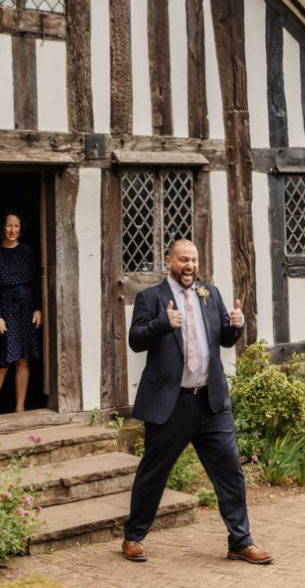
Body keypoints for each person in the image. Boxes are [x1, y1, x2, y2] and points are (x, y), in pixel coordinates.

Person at [122, 238, 273, 565]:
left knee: (230, 472)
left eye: (193, 259)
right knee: (153, 473)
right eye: (183, 259)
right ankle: (133, 536)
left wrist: (235, 326)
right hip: (170, 404)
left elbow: (222, 337)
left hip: (210, 403)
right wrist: (164, 323)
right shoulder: (151, 297)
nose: (189, 266)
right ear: (169, 262)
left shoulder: (210, 294)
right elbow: (135, 340)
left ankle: (240, 541)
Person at [0, 211, 42, 417]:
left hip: (26, 310)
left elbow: (36, 281)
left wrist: (38, 307)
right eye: (9, 226)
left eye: (16, 226)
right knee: (3, 361)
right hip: (5, 309)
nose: (12, 230)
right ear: (2, 228)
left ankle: (20, 408)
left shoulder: (27, 251)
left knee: (23, 360)